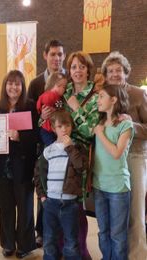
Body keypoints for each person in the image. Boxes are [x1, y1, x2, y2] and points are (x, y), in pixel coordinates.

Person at [101, 51, 147, 260]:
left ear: (126, 72)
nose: (115, 74)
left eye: (118, 70)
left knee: (136, 213)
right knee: (117, 215)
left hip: (134, 157)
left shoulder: (138, 94)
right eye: (110, 71)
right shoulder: (103, 97)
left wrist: (132, 125)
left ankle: (137, 255)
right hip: (111, 160)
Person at [0, 70, 38, 258]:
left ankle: (25, 245)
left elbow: (36, 136)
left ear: (22, 87)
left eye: (17, 84)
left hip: (23, 165)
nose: (13, 87)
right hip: (2, 166)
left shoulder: (30, 106)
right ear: (4, 86)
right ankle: (8, 243)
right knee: (6, 208)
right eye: (10, 83)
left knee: (25, 207)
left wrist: (20, 136)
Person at [28, 39, 66, 248]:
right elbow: (29, 117)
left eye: (60, 54)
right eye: (52, 54)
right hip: (45, 142)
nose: (56, 58)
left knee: (64, 186)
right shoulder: (35, 84)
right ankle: (41, 231)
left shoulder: (67, 80)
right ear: (45, 56)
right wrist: (41, 117)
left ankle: (63, 232)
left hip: (66, 141)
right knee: (45, 185)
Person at [34, 110, 87, 260]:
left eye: (67, 125)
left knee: (71, 240)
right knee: (49, 239)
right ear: (53, 128)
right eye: (60, 126)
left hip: (70, 203)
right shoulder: (48, 150)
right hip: (50, 202)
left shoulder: (77, 147)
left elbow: (81, 167)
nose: (64, 129)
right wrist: (42, 196)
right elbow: (38, 174)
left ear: (71, 127)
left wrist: (70, 147)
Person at [63, 51, 101, 260]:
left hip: (79, 155)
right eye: (74, 67)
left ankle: (81, 251)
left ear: (88, 70)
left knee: (77, 205)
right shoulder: (64, 90)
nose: (77, 71)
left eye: (82, 66)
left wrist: (76, 110)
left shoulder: (96, 96)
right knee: (62, 202)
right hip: (61, 155)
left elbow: (89, 131)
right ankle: (65, 248)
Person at [93, 84, 134, 259]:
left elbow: (117, 153)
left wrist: (100, 134)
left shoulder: (126, 123)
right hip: (99, 186)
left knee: (117, 235)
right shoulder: (99, 122)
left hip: (118, 188)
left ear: (114, 100)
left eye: (101, 96)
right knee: (103, 232)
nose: (98, 100)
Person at [36, 72, 68, 146]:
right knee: (53, 145)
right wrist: (56, 109)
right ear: (52, 85)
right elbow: (59, 106)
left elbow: (38, 105)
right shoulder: (53, 96)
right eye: (59, 86)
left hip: (49, 128)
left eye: (64, 87)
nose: (62, 89)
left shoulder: (44, 95)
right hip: (49, 128)